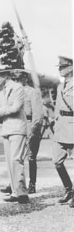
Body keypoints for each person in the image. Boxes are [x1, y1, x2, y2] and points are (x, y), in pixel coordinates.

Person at [0, 70, 44, 194]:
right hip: (18, 125)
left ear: (25, 78)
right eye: (15, 79)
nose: (17, 81)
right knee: (16, 157)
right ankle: (15, 184)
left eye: (19, 78)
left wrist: (33, 131)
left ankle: (32, 184)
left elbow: (38, 115)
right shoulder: (13, 91)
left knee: (30, 157)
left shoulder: (32, 92)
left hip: (30, 125)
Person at [0, 66, 29, 204]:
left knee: (16, 160)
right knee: (9, 162)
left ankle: (22, 192)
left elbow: (15, 108)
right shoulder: (3, 92)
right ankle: (15, 192)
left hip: (17, 128)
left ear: (5, 76)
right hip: (7, 129)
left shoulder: (17, 88)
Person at [51, 56, 74, 207]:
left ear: (71, 67)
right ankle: (69, 190)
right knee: (57, 161)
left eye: (63, 67)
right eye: (59, 67)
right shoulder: (60, 87)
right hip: (61, 128)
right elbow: (58, 107)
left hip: (72, 126)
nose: (60, 69)